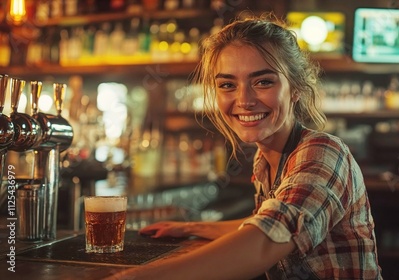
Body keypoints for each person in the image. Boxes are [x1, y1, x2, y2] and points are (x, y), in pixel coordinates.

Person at [111, 15, 382, 280]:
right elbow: (261, 222)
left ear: (295, 88)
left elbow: (269, 237)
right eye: (228, 85)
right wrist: (193, 227)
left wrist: (134, 277)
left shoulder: (323, 151)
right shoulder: (266, 161)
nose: (244, 100)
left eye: (263, 81)